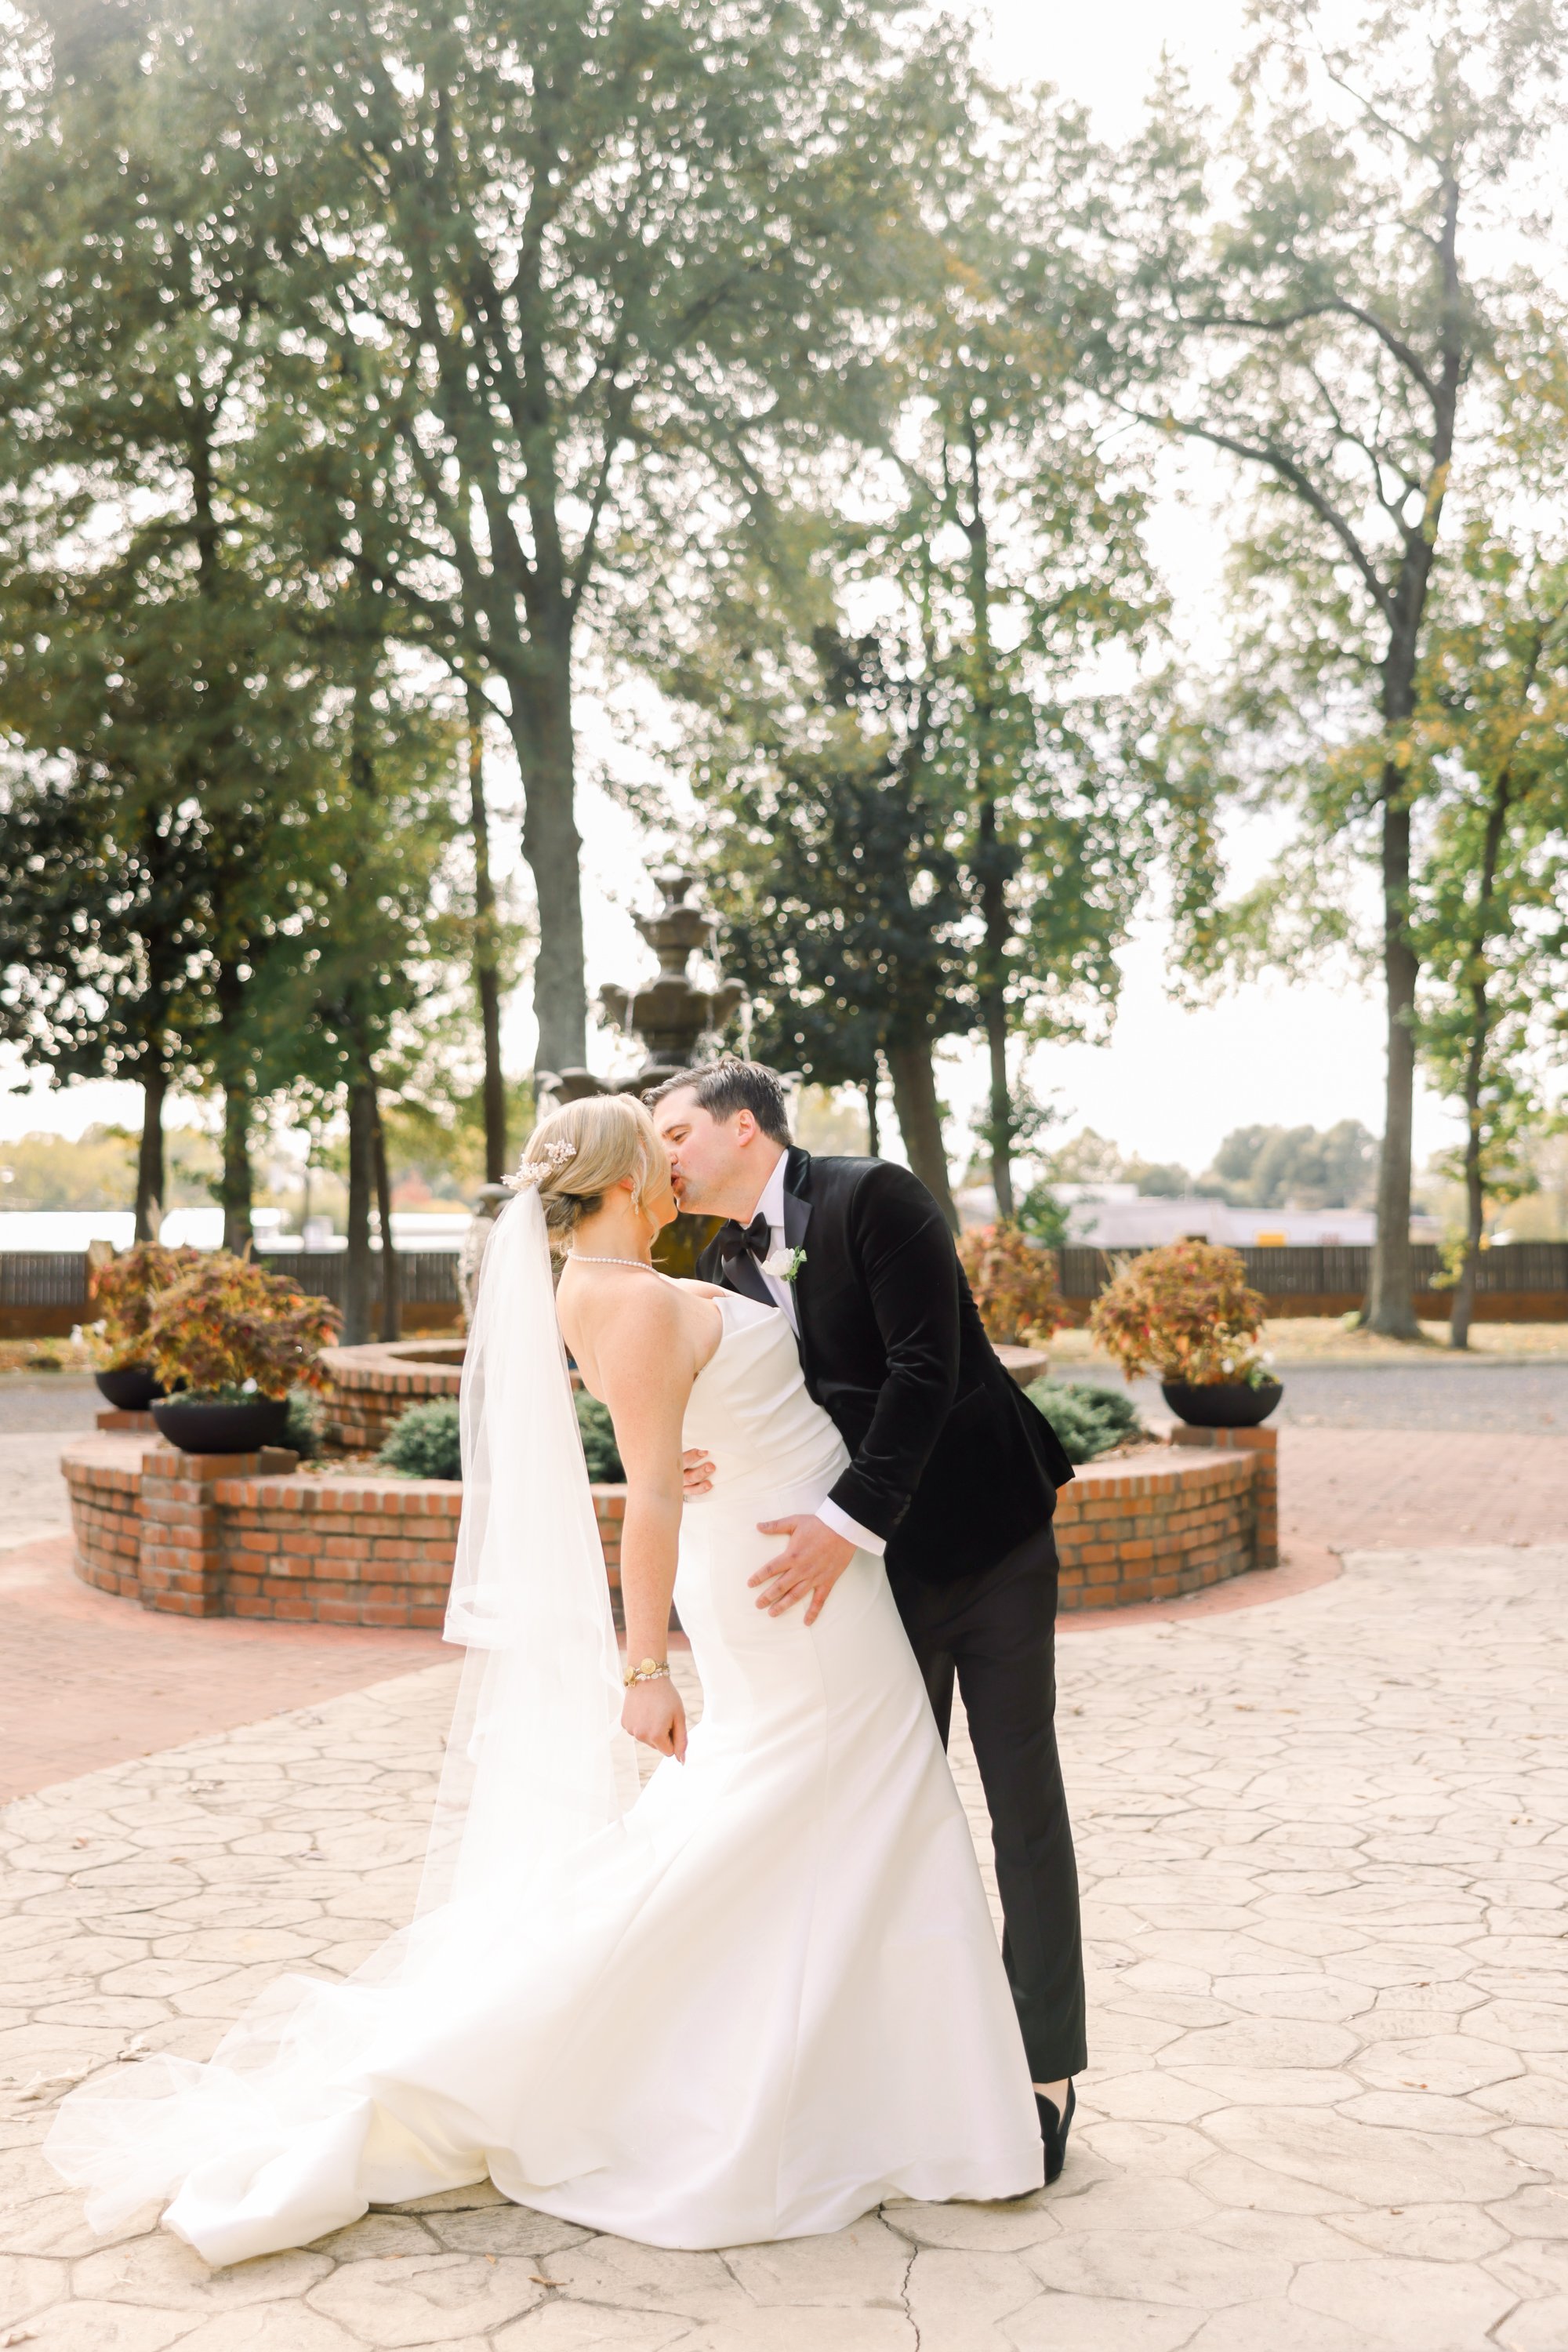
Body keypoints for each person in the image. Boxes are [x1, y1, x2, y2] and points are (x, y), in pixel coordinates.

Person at [45, 1094, 1043, 2263]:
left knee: (846, 1814)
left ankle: (879, 2093)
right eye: (658, 1148)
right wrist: (644, 1665)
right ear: (626, 1182)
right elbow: (652, 1492)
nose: (677, 1161)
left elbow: (681, 1429)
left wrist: (706, 1451)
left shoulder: (620, 1282)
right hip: (791, 1591)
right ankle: (846, 2101)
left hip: (793, 1559)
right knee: (831, 1804)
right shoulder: (625, 1295)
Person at [648, 1060, 1085, 2175]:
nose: (665, 1154)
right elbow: (731, 1388)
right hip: (867, 1581)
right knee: (888, 1813)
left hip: (985, 1541)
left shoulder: (873, 1197)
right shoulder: (702, 1256)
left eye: (676, 1131)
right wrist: (696, 1459)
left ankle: (1043, 2069)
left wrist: (844, 1524)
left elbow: (924, 1370)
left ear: (743, 1127)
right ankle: (901, 2068)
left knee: (1019, 1798)